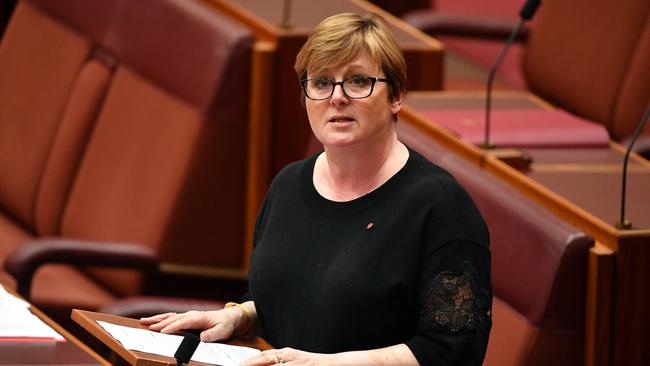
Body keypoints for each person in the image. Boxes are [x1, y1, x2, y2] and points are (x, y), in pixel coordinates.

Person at [141, 12, 492, 365]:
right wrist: (242, 316)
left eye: (357, 81)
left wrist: (326, 364)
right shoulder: (289, 184)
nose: (337, 97)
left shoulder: (440, 208)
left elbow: (452, 352)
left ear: (396, 95)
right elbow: (288, 298)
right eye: (321, 82)